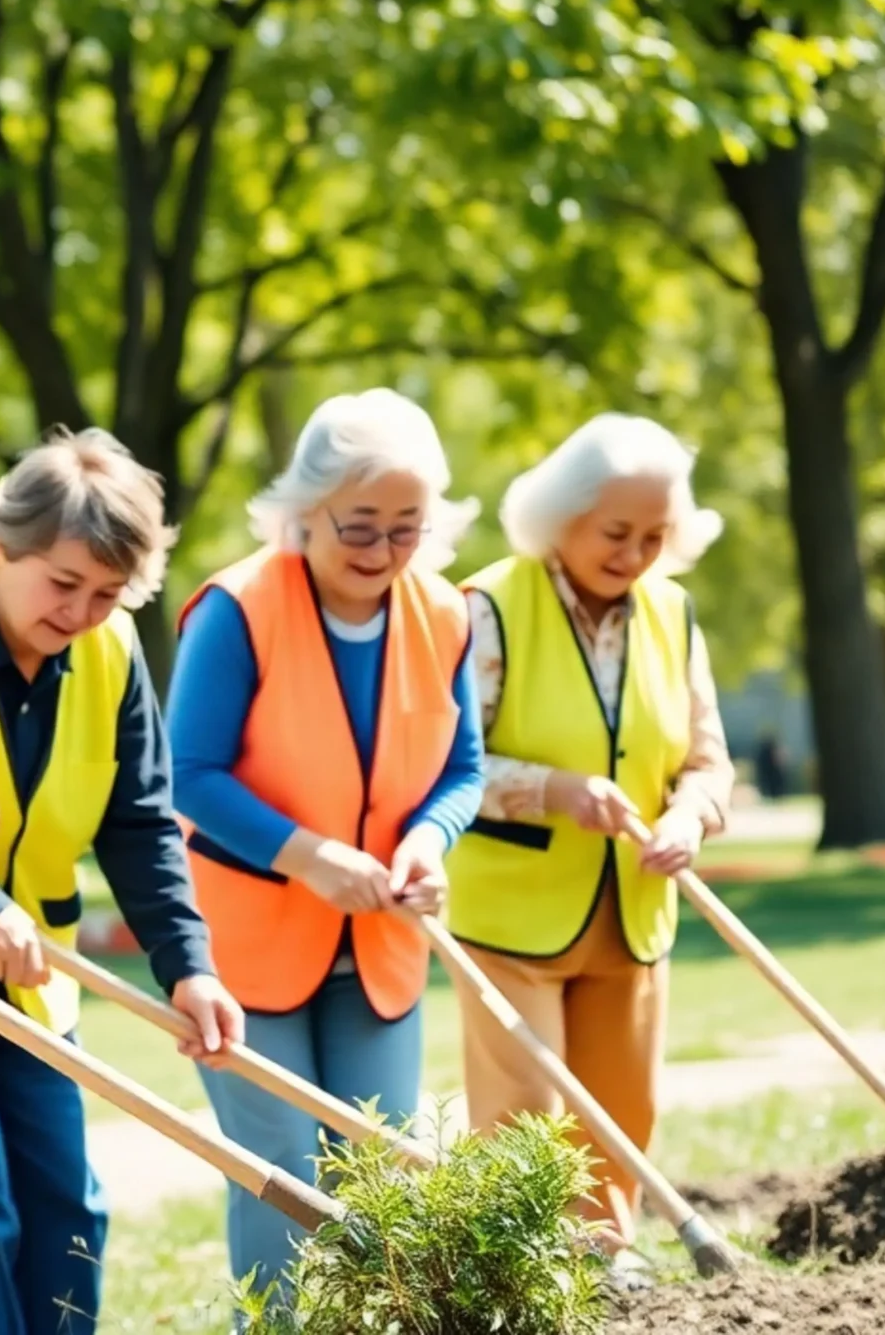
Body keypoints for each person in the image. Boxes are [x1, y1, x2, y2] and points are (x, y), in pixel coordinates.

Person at [0, 431, 244, 1335]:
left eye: (108, 592)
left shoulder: (114, 648)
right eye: (65, 583)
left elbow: (139, 826)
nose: (85, 611)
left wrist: (189, 966)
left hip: (37, 977)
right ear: (0, 541)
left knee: (70, 1213)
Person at [166, 388, 484, 1304]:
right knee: (280, 1170)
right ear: (305, 512)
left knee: (381, 1171)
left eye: (408, 528)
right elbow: (189, 773)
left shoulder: (448, 614)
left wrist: (430, 838)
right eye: (361, 526)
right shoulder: (236, 608)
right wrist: (307, 854)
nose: (383, 552)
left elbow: (463, 766)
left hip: (381, 945)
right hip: (246, 947)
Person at [452, 414, 735, 1246]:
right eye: (617, 531)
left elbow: (708, 759)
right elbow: (448, 764)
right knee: (528, 1113)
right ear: (561, 516)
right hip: (512, 913)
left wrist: (690, 813)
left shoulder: (674, 614)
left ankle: (607, 1261)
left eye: (655, 534)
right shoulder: (488, 607)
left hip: (634, 907)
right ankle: (525, 1269)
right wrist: (555, 789)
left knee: (620, 1105)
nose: (636, 553)